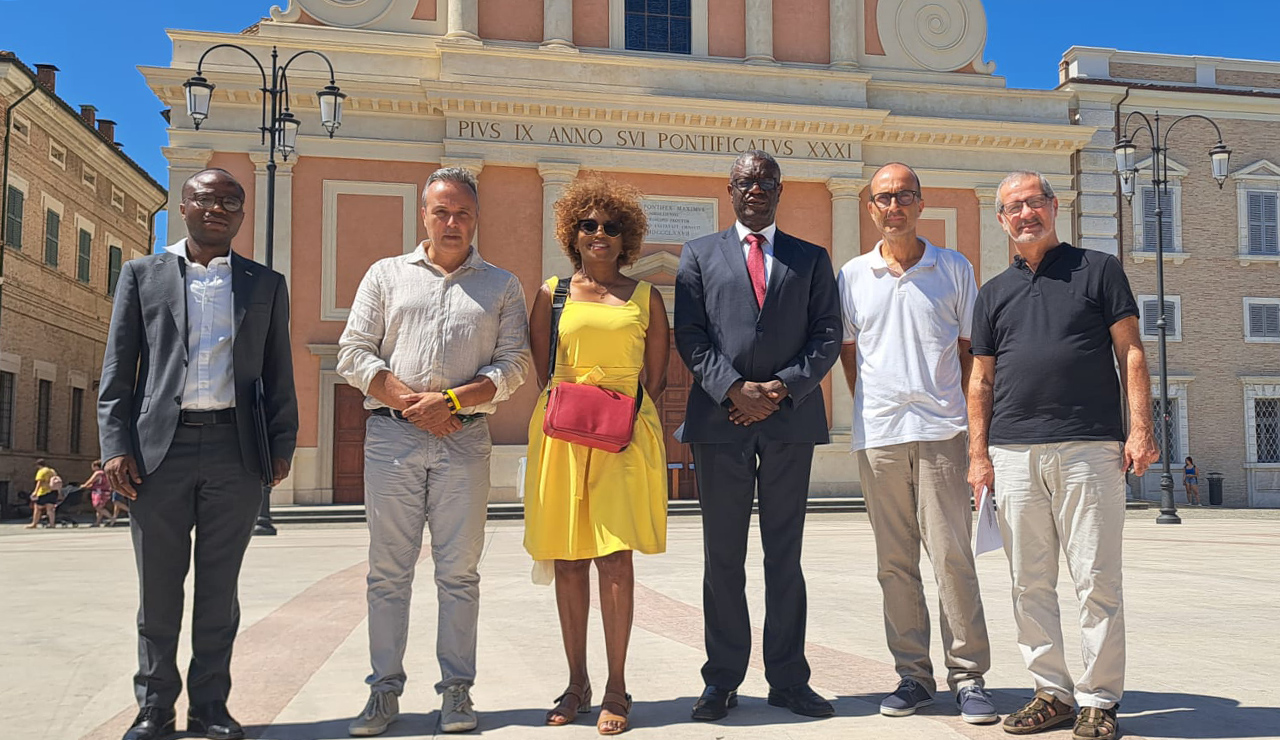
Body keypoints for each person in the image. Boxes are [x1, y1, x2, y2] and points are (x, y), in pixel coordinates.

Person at [98, 168, 298, 740]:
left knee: (218, 592)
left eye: (231, 202)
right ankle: (154, 707)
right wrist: (115, 446)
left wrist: (280, 444)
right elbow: (118, 371)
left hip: (236, 453)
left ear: (240, 215)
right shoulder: (142, 275)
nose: (220, 209)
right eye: (207, 199)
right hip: (158, 453)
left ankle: (211, 705)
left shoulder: (265, 283)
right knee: (158, 592)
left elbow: (279, 373)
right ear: (183, 206)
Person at [337, 167, 532, 737]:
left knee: (459, 574)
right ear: (423, 215)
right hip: (393, 439)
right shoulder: (385, 276)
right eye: (441, 211)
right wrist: (412, 404)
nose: (452, 222)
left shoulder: (501, 286)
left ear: (476, 219)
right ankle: (383, 692)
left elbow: (516, 364)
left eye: (463, 213)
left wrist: (450, 402)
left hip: (466, 440)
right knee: (387, 572)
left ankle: (457, 692)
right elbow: (353, 353)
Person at [967, 171, 1158, 740]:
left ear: (1054, 207)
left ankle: (1099, 698)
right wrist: (978, 456)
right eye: (1014, 207)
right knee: (1029, 581)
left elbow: (1132, 353)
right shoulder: (992, 293)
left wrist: (1140, 429)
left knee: (1096, 578)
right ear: (1002, 221)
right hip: (1013, 452)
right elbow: (980, 380)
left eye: (1035, 203)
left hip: (1089, 448)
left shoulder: (1098, 270)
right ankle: (1051, 692)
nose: (1026, 214)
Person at [675, 150, 841, 722]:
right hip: (720, 426)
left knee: (784, 555)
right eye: (746, 181)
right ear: (730, 189)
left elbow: (826, 335)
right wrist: (733, 391)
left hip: (789, 422)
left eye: (766, 181)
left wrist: (778, 389)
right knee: (722, 556)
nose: (756, 189)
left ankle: (789, 679)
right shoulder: (697, 255)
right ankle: (721, 680)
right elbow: (691, 336)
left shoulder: (811, 258)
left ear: (779, 190)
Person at [837, 163, 996, 723]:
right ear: (871, 208)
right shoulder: (852, 276)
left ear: (920, 202)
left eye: (904, 195)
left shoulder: (952, 268)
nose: (894, 205)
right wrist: (878, 405)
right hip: (879, 438)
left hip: (942, 432)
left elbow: (973, 352)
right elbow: (852, 355)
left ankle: (969, 676)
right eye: (884, 197)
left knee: (952, 557)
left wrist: (968, 428)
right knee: (893, 563)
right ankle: (913, 676)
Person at [524, 177, 669, 736]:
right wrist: (579, 405)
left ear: (626, 235)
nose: (599, 234)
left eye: (611, 226)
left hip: (626, 435)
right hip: (563, 435)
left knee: (615, 557)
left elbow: (654, 378)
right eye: (588, 225)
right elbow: (543, 366)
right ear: (573, 232)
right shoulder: (553, 293)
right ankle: (575, 682)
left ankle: (615, 686)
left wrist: (612, 411)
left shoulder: (644, 298)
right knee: (567, 558)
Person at [26, 458, 58, 528]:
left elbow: (39, 482)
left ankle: (34, 524)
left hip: (43, 492)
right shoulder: (52, 471)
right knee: (50, 509)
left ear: (38, 465)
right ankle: (52, 524)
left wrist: (35, 491)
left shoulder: (41, 471)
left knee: (37, 508)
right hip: (53, 492)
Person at [87, 460, 114, 527]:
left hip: (98, 491)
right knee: (100, 507)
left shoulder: (98, 473)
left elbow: (90, 481)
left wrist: (84, 485)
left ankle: (112, 518)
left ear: (96, 466)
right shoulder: (105, 473)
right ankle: (97, 522)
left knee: (98, 506)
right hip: (106, 491)